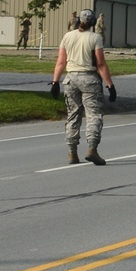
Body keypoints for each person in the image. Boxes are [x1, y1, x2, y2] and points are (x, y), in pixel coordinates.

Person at [49, 9, 116, 165]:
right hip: (89, 79)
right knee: (93, 115)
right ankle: (92, 149)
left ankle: (72, 153)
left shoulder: (68, 36)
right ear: (93, 23)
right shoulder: (95, 38)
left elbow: (60, 62)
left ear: (79, 20)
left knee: (73, 115)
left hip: (71, 79)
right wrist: (110, 85)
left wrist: (55, 82)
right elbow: (100, 63)